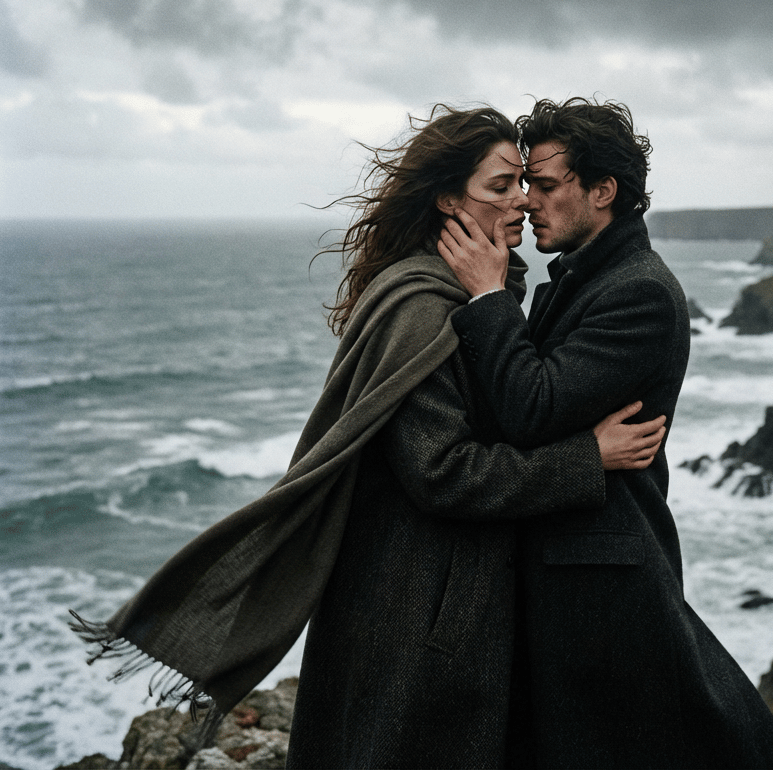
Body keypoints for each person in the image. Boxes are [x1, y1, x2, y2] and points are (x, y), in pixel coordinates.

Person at [72, 105, 665, 770]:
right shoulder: (427, 307)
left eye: (527, 184)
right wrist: (587, 458)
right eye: (501, 187)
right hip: (415, 610)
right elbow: (442, 471)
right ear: (447, 199)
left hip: (437, 597)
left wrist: (493, 300)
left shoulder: (476, 297)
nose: (522, 202)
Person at [438, 97, 773, 770]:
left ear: (602, 191)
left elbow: (531, 411)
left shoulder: (639, 293)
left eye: (543, 185)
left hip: (602, 587)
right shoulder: (583, 279)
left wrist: (488, 299)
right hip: (568, 568)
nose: (526, 202)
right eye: (518, 186)